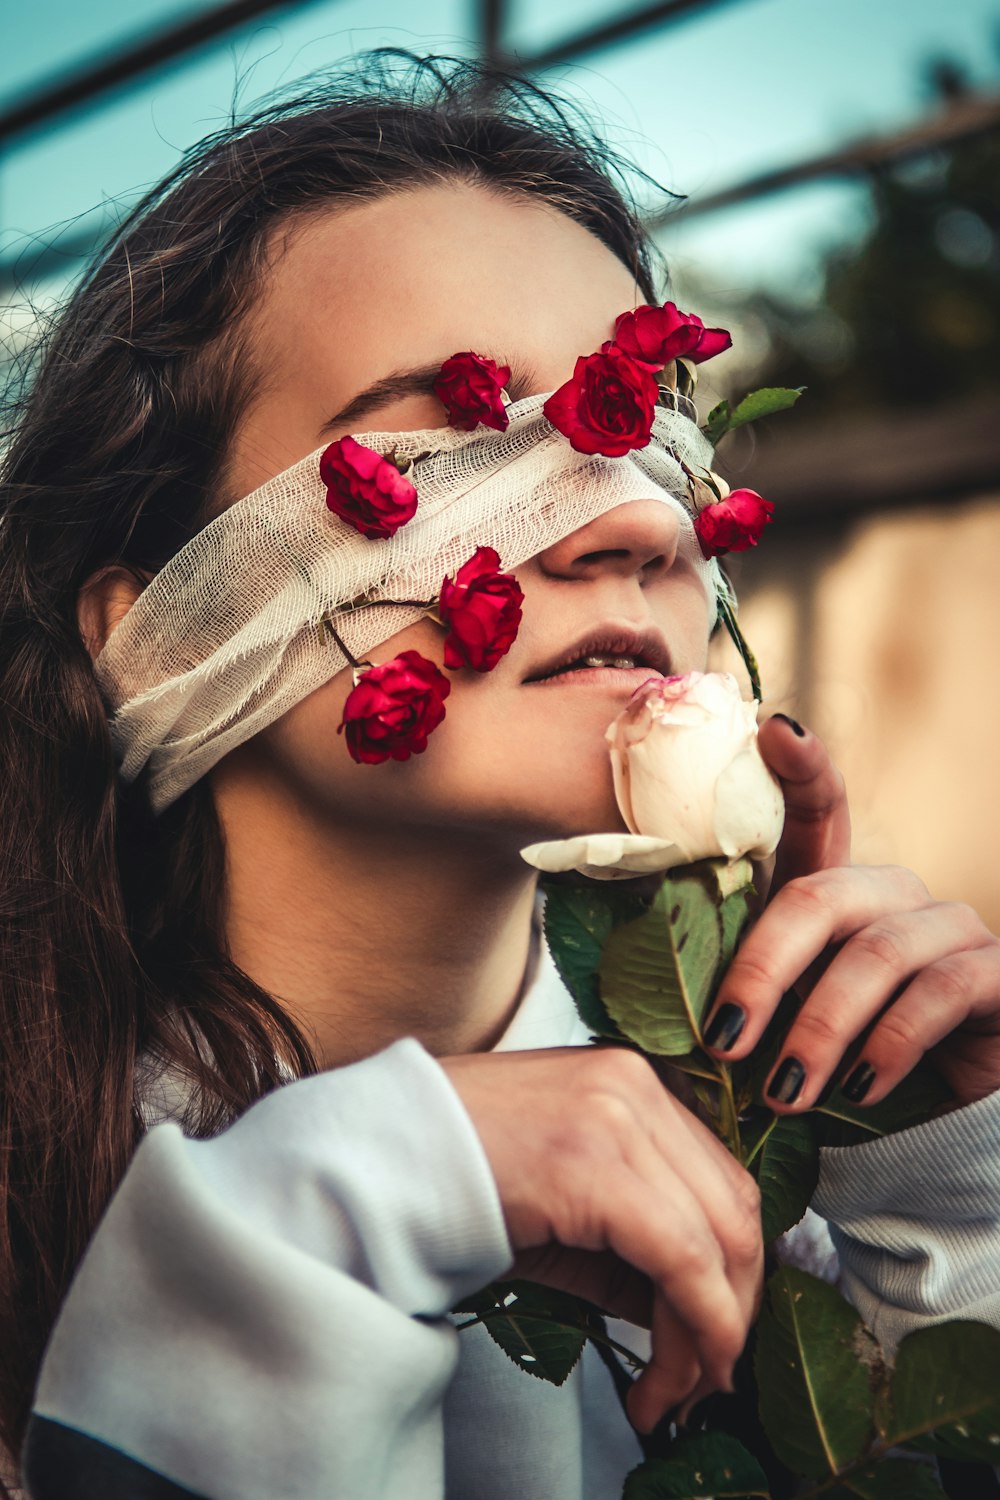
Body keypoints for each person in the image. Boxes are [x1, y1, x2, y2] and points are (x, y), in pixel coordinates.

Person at [1, 53, 998, 1500]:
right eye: (465, 443)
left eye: (648, 432)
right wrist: (324, 1219)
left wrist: (953, 1211)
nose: (639, 533)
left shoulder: (782, 1184)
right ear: (151, 626)